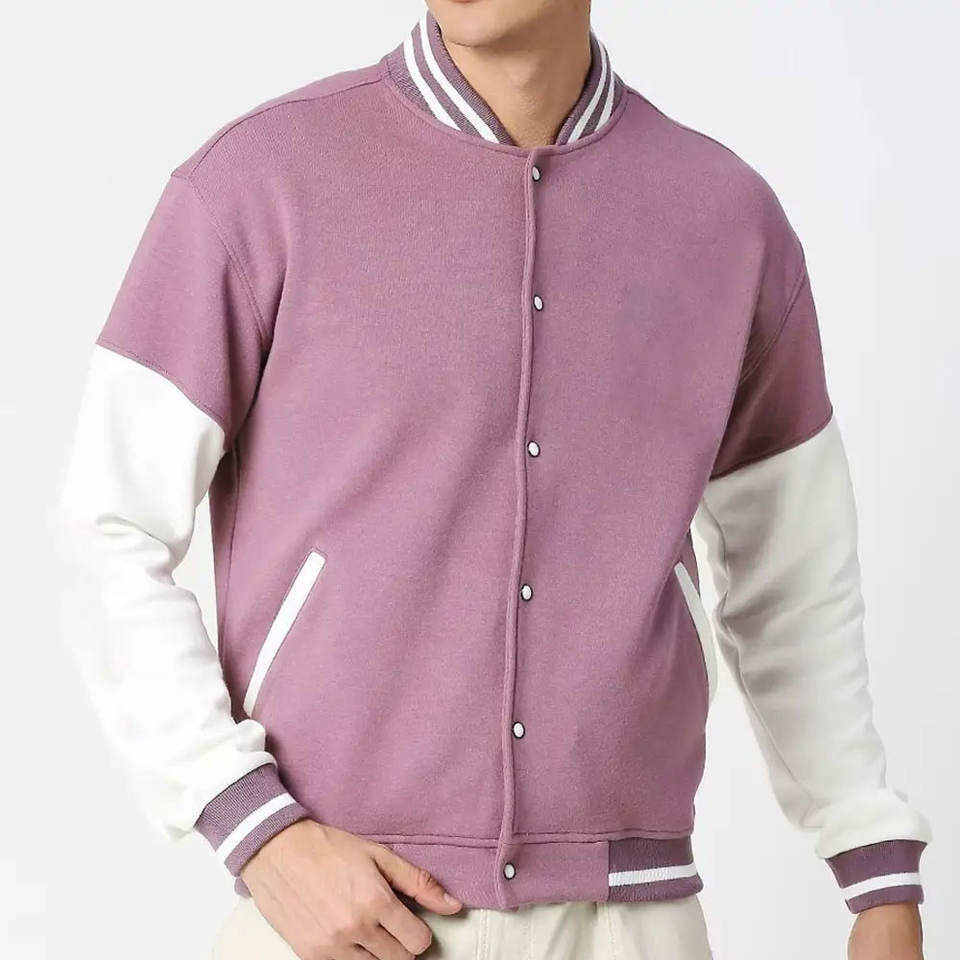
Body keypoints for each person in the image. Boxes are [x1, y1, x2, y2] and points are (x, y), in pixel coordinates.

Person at [58, 1, 931, 957]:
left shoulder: (726, 219)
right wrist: (252, 826)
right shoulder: (259, 183)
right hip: (340, 912)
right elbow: (108, 527)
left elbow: (794, 572)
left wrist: (872, 861)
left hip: (631, 920)